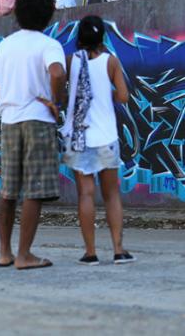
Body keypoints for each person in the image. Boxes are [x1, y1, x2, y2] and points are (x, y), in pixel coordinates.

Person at [0, 0, 66, 270]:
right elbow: (57, 72)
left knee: (8, 191)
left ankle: (4, 252)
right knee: (34, 191)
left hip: (9, 120)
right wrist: (55, 100)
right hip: (37, 119)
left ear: (18, 13)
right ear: (47, 15)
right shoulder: (49, 45)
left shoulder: (4, 46)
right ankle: (24, 255)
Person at [60, 16, 135, 265]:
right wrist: (105, 92)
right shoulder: (111, 62)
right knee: (112, 195)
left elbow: (60, 92)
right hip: (105, 136)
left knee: (86, 195)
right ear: (102, 36)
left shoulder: (70, 61)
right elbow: (123, 97)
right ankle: (118, 250)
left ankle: (90, 252)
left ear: (79, 37)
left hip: (78, 137)